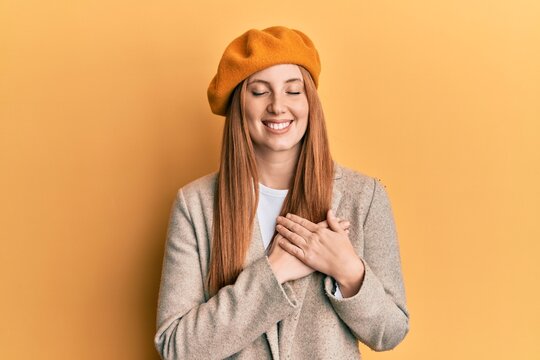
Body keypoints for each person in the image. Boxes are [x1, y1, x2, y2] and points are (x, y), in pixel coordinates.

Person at [154, 25, 409, 360]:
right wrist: (272, 273)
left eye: (293, 91)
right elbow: (176, 347)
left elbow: (390, 331)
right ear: (238, 106)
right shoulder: (195, 205)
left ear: (310, 102)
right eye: (260, 92)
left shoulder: (364, 196)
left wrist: (348, 270)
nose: (278, 106)